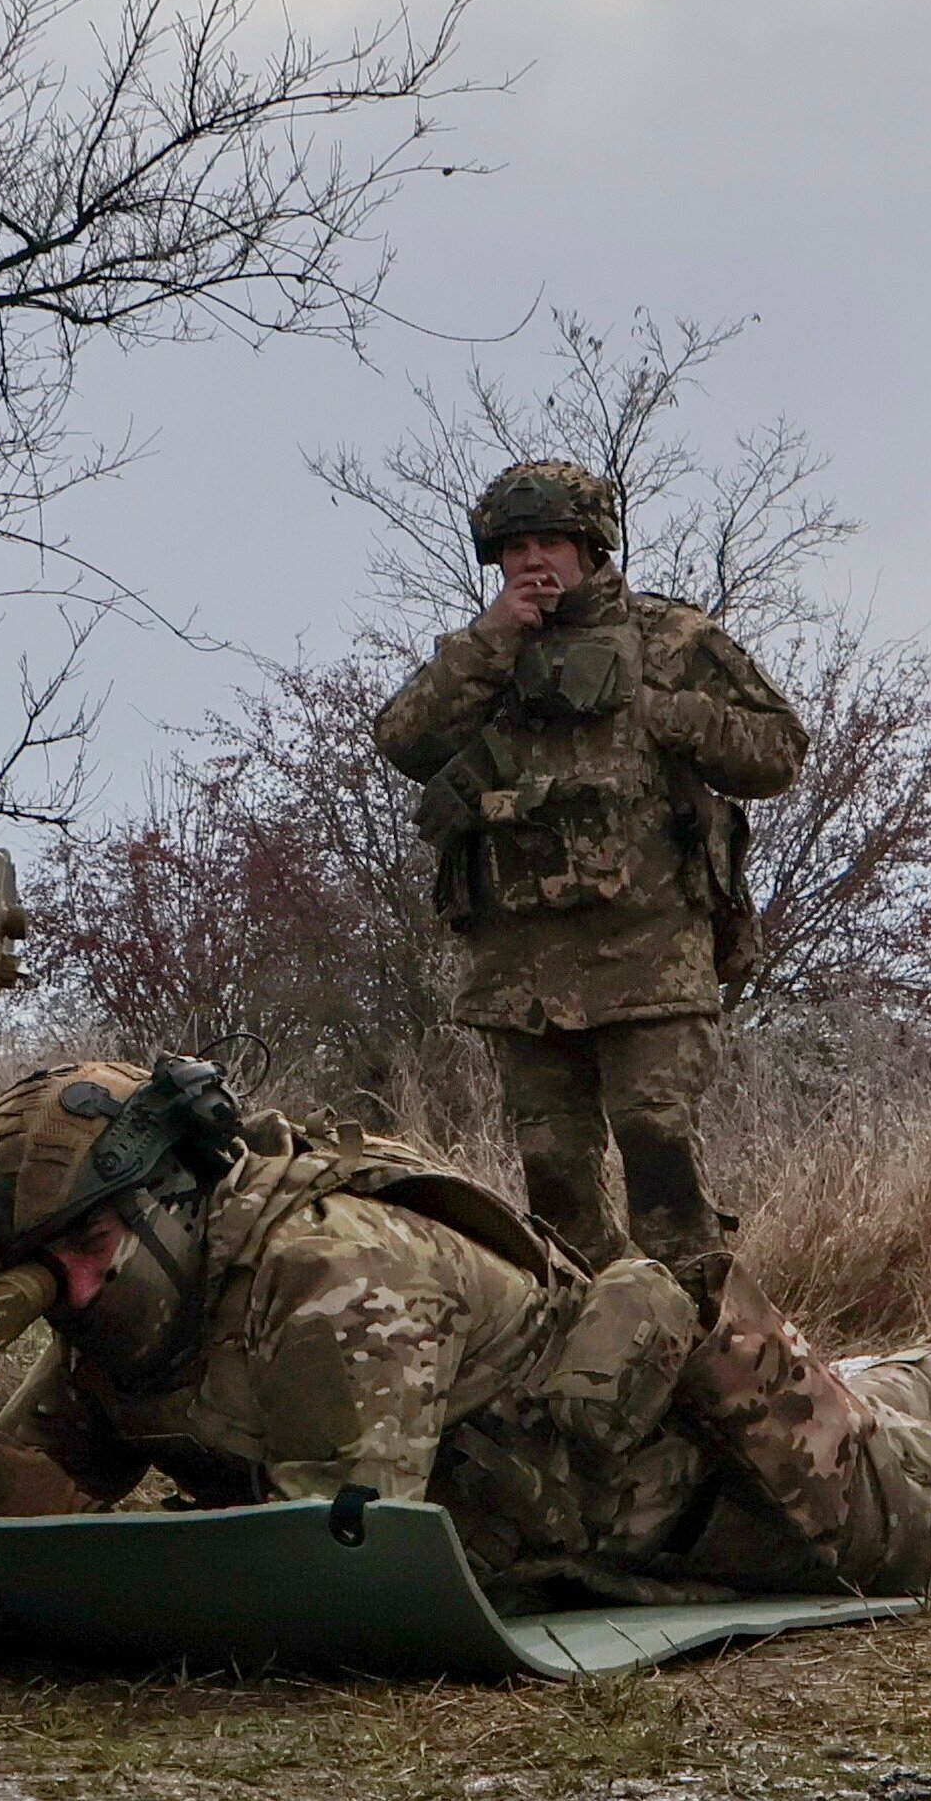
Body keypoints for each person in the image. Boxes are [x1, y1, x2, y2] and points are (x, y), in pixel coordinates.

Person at [0, 1059, 931, 1595]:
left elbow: (330, 1578)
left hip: (724, 1466)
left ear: (170, 1207)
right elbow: (35, 1496)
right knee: (905, 1426)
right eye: (44, 1268)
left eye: (88, 1253)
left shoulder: (336, 1285)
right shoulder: (137, 1299)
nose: (69, 1296)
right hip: (625, 1461)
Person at [372, 461, 807, 1266]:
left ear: (592, 546)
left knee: (660, 1155)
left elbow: (779, 751)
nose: (534, 561)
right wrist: (493, 641)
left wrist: (668, 715)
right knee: (555, 1184)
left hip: (651, 953)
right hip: (522, 969)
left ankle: (699, 1331)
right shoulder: (484, 656)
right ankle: (593, 1332)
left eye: (551, 542)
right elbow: (403, 740)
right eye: (517, 547)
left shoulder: (672, 639)